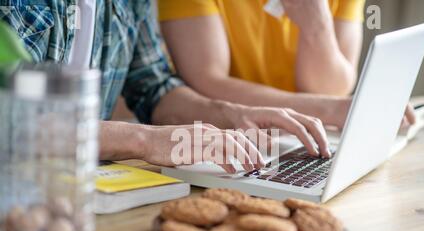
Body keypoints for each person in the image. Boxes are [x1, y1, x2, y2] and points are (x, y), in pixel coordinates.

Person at [0, 0, 333, 175]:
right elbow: (13, 123)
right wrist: (144, 140)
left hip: (85, 194)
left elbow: (154, 86)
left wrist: (233, 114)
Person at [158, 0, 416, 129]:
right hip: (222, 134)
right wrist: (324, 110)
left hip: (308, 137)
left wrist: (317, 26)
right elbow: (206, 81)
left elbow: (334, 89)